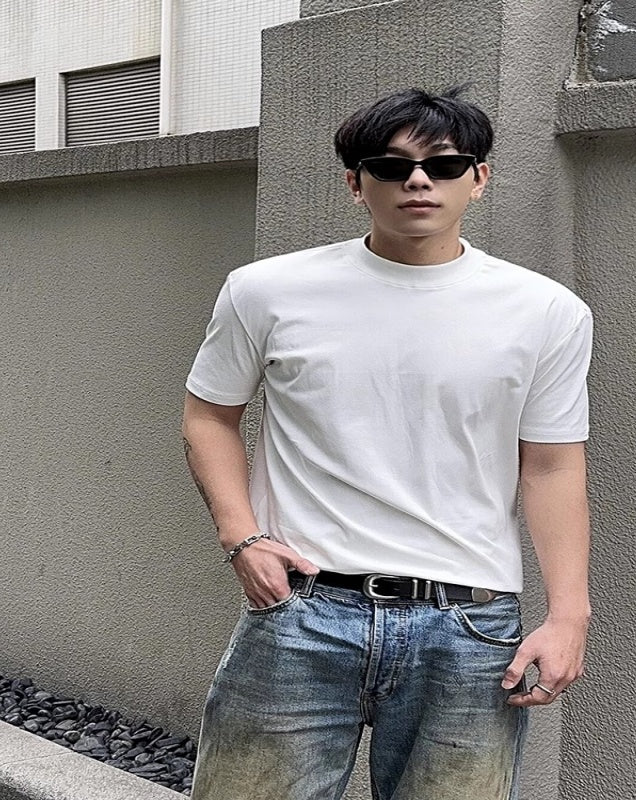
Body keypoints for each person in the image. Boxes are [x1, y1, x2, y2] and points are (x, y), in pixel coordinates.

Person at [182, 86, 592, 800]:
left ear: (479, 178)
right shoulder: (266, 291)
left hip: (469, 625)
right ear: (355, 183)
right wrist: (241, 537)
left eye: (444, 164)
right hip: (302, 610)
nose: (419, 182)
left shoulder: (546, 311)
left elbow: (552, 466)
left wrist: (568, 614)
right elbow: (208, 414)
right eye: (392, 166)